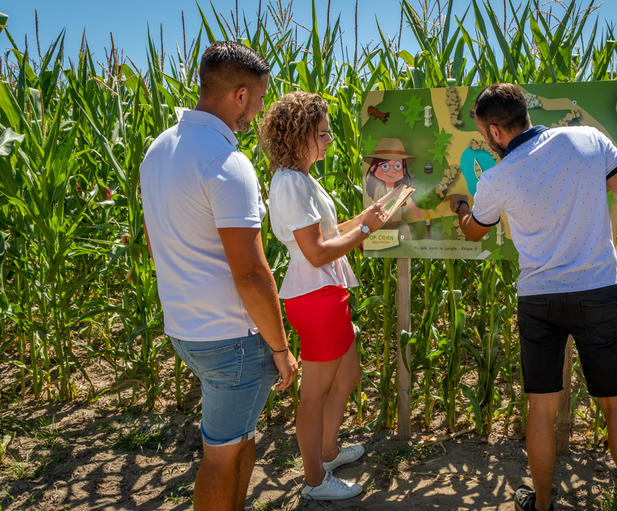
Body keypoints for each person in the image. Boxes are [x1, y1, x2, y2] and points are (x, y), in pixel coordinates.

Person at [447, 84, 617, 511]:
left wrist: (460, 208)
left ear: (495, 132)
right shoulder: (588, 139)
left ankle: (542, 505)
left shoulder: (498, 177)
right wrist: (615, 258)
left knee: (541, 410)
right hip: (597, 291)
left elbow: (474, 230)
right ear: (524, 113)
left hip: (540, 299)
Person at [140, 41, 298, 511]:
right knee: (220, 457)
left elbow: (155, 242)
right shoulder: (228, 164)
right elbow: (251, 272)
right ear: (242, 95)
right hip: (231, 339)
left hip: (186, 330)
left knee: (241, 439)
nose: (260, 110)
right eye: (261, 97)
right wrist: (281, 348)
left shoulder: (159, 149)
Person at [259, 91, 387, 500]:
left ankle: (328, 451)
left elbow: (324, 235)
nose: (330, 140)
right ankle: (314, 480)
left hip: (326, 290)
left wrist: (362, 220)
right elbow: (314, 252)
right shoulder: (291, 184)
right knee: (313, 395)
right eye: (323, 133)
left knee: (348, 375)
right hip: (316, 295)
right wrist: (364, 232)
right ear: (301, 135)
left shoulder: (300, 180)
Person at [364, 137, 424, 239]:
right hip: (380, 227)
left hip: (399, 226)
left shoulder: (401, 190)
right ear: (374, 168)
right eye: (385, 166)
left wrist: (419, 216)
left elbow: (411, 204)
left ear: (404, 169)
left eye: (397, 166)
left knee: (404, 247)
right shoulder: (378, 189)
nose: (392, 171)